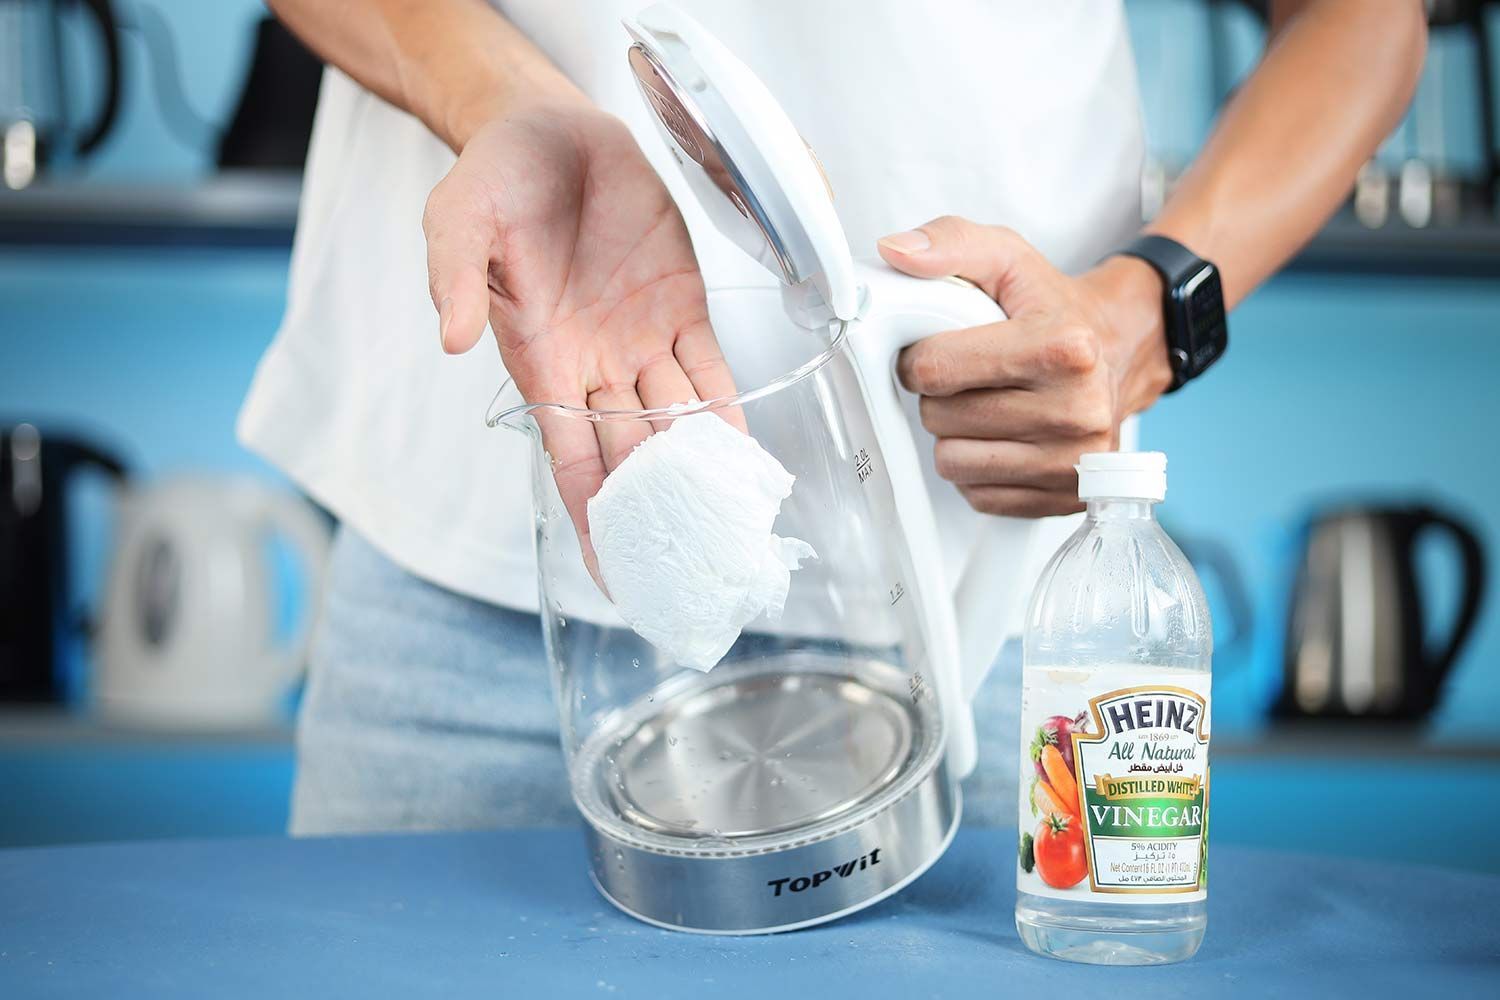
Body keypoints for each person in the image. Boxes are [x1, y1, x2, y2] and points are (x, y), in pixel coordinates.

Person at [241, 0, 1425, 834]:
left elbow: (1363, 15)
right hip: (474, 556)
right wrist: (502, 95)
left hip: (987, 593)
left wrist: (1146, 314)